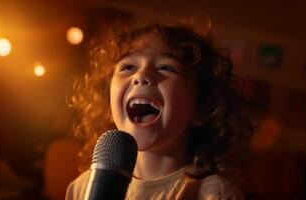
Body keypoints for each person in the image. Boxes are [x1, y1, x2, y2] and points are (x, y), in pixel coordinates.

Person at [65, 8, 253, 200]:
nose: (141, 75)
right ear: (108, 105)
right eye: (128, 66)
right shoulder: (81, 188)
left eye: (166, 67)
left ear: (202, 107)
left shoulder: (213, 194)